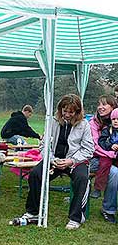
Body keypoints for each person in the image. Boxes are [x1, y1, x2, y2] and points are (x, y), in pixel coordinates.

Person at [14, 94, 94, 230]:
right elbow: (43, 145)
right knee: (35, 174)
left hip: (75, 161)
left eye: (71, 112)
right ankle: (33, 212)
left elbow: (89, 149)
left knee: (82, 179)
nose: (67, 114)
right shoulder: (52, 121)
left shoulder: (84, 125)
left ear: (77, 112)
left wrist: (71, 161)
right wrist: (52, 159)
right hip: (55, 159)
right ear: (60, 109)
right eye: (65, 111)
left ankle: (76, 217)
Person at [89, 95, 118, 223]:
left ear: (113, 107)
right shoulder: (94, 123)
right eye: (99, 104)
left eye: (104, 104)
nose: (100, 107)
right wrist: (110, 154)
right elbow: (94, 147)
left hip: (112, 157)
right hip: (95, 158)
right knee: (114, 173)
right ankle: (108, 209)